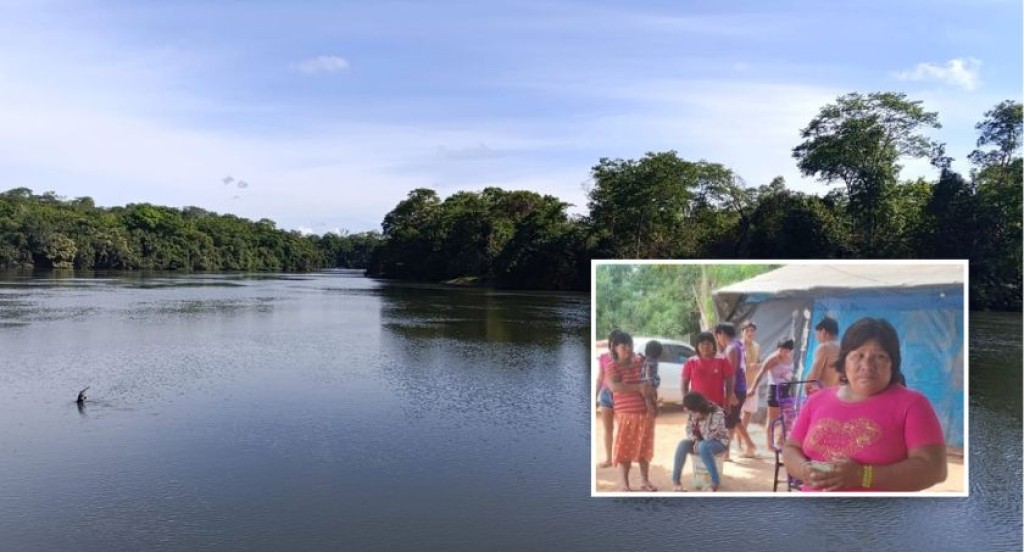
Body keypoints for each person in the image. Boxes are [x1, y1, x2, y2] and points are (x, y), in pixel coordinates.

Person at [782, 317, 947, 492]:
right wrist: (804, 470)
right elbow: (791, 448)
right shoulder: (817, 400)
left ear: (893, 364)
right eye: (858, 356)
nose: (867, 365)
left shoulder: (913, 404)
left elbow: (934, 470)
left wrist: (864, 476)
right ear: (844, 361)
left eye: (880, 357)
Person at [604, 330, 658, 491]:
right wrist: (639, 388)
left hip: (645, 414)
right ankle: (624, 484)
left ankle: (645, 481)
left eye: (630, 345)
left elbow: (650, 382)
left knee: (644, 449)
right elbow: (615, 387)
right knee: (625, 450)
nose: (628, 349)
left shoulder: (641, 362)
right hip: (626, 416)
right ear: (615, 348)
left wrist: (654, 403)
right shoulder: (612, 366)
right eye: (623, 346)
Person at [671, 391, 730, 492]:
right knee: (682, 444)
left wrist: (702, 419)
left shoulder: (717, 413)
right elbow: (689, 430)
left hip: (719, 442)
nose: (690, 414)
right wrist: (695, 440)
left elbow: (710, 436)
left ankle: (715, 482)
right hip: (700, 442)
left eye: (692, 411)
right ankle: (676, 482)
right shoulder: (692, 413)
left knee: (703, 446)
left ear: (697, 409)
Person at [747, 337, 796, 451]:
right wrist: (753, 388)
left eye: (785, 350)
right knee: (772, 419)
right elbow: (761, 373)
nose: (782, 352)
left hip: (785, 389)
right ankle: (769, 444)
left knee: (790, 416)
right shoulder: (773, 358)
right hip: (774, 390)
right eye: (780, 349)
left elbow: (788, 372)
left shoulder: (790, 357)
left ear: (790, 350)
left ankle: (780, 441)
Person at [714, 322, 750, 461]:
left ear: (722, 333)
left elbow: (731, 373)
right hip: (739, 388)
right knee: (733, 419)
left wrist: (731, 393)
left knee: (729, 422)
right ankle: (749, 445)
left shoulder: (731, 348)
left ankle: (726, 452)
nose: (718, 339)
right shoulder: (738, 345)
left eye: (717, 336)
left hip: (735, 389)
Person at [595, 329, 626, 468]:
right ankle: (609, 458)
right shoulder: (603, 357)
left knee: (622, 428)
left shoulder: (626, 359)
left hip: (621, 395)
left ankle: (622, 457)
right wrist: (595, 396)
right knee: (608, 429)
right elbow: (600, 377)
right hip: (606, 395)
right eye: (615, 342)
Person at [681, 331, 735, 409]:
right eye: (702, 343)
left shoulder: (722, 360)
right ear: (697, 346)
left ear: (713, 345)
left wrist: (728, 401)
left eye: (708, 343)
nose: (705, 346)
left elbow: (730, 383)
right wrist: (686, 403)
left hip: (717, 406)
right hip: (696, 407)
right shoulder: (691, 362)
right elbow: (684, 384)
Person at [739, 321, 762, 455]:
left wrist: (758, 365)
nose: (750, 333)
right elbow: (734, 365)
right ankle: (739, 444)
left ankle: (743, 444)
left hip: (753, 383)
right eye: (747, 330)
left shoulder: (757, 346)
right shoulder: (737, 346)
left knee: (748, 413)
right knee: (737, 415)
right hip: (740, 384)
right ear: (742, 332)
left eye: (752, 330)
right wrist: (748, 366)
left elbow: (758, 361)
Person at [805, 316, 840, 395]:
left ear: (823, 332)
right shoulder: (845, 348)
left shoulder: (824, 348)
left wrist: (807, 388)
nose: (817, 338)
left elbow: (812, 379)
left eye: (817, 335)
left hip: (825, 395)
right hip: (839, 396)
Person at [641, 340, 663, 416]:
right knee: (650, 395)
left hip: (648, 380)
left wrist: (649, 382)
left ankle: (652, 408)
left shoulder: (649, 360)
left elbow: (648, 371)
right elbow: (648, 371)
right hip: (651, 380)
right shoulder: (653, 361)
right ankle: (652, 408)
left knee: (649, 396)